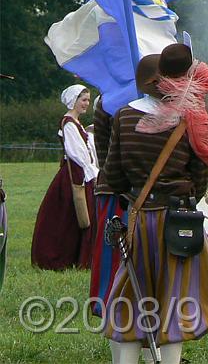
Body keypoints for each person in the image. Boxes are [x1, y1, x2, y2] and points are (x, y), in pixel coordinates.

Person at [103, 45, 208, 364]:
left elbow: (113, 176)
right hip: (178, 218)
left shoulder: (124, 115)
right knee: (177, 298)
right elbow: (201, 173)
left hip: (140, 218)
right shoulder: (192, 117)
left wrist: (137, 195)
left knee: (130, 297)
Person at [31, 84, 98, 270]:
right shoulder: (69, 123)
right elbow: (78, 154)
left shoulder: (76, 123)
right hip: (73, 176)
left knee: (74, 217)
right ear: (73, 101)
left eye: (88, 100)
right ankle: (61, 257)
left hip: (78, 174)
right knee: (68, 217)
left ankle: (77, 256)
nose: (87, 103)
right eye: (83, 100)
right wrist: (92, 172)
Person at [89, 95, 128, 316]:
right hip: (115, 190)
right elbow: (105, 156)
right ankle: (108, 303)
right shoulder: (107, 102)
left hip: (137, 190)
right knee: (112, 252)